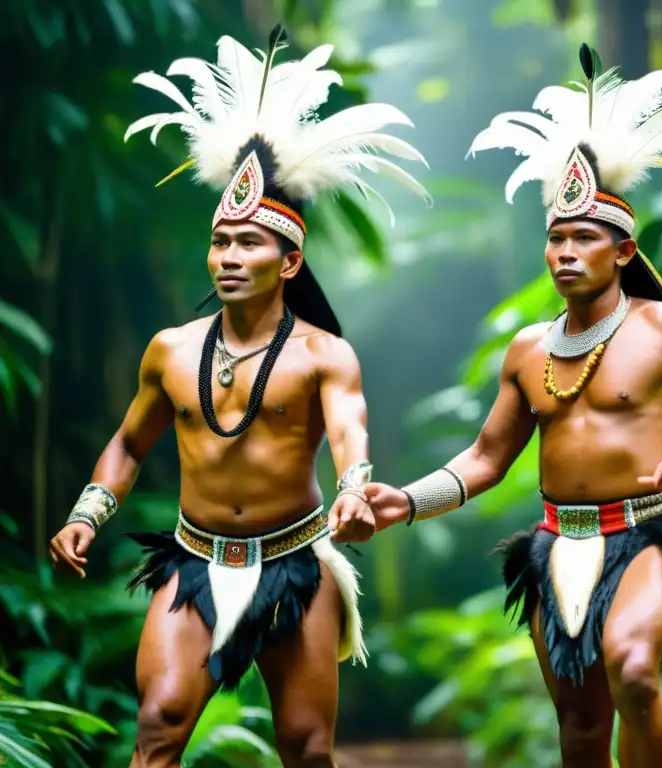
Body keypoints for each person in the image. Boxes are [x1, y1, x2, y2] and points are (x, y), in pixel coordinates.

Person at [364, 44, 662, 768]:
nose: (566, 251)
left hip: (649, 534)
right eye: (556, 237)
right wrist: (406, 501)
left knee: (637, 672)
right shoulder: (526, 350)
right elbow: (487, 457)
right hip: (557, 543)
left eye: (585, 237)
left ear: (623, 250)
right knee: (580, 731)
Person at [47, 27, 429, 768]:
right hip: (194, 560)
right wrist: (88, 512)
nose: (228, 256)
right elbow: (130, 442)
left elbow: (350, 430)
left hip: (295, 564)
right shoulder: (172, 349)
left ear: (290, 260)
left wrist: (354, 490)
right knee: (158, 722)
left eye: (249, 243)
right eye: (221, 241)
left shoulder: (324, 355)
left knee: (307, 748)